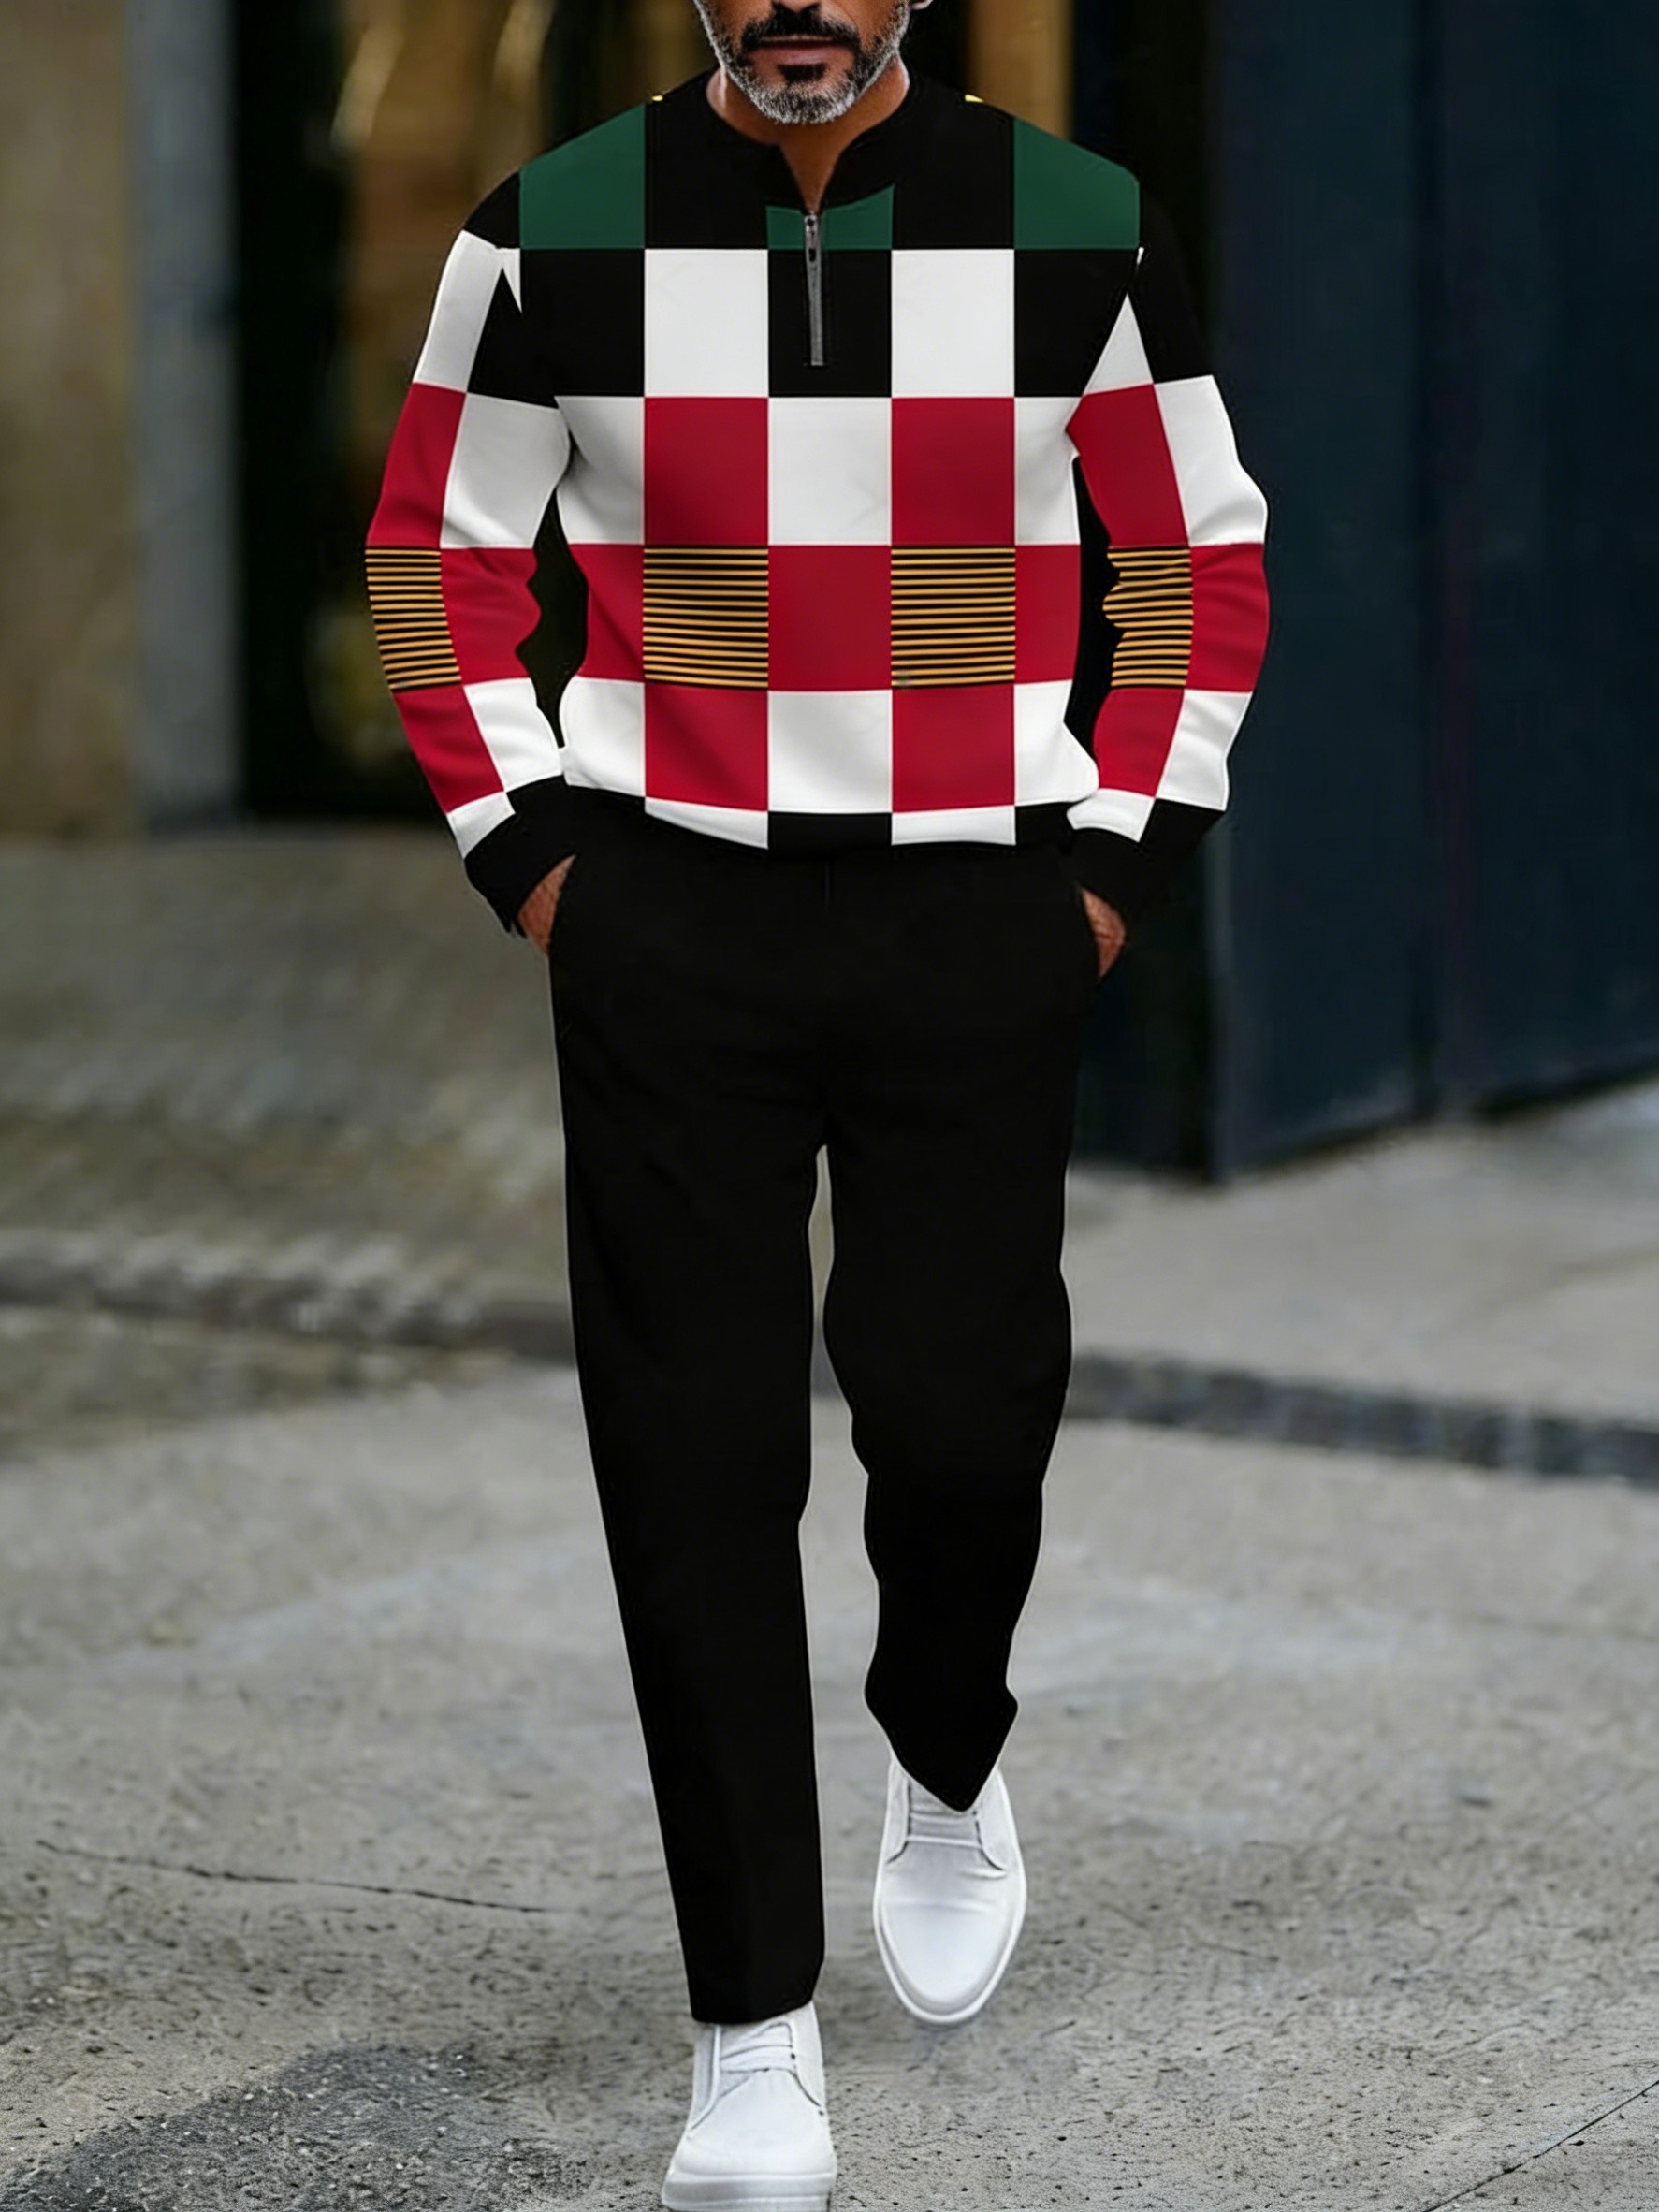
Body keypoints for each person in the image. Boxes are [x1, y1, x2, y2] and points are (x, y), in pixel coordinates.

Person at [366, 3, 1269, 2204]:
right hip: (667, 912)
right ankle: (747, 2029)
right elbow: (436, 558)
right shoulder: (546, 229)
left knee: (957, 1419)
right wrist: (538, 861)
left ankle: (942, 1749)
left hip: (978, 908)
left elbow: (1191, 558)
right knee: (690, 1459)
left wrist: (1109, 868)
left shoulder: (1072, 226)